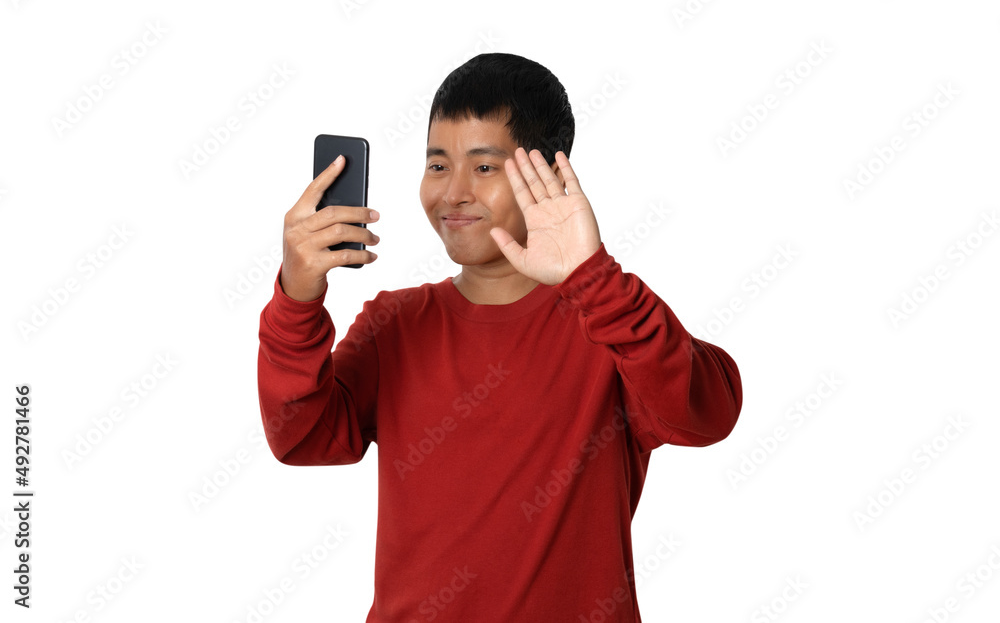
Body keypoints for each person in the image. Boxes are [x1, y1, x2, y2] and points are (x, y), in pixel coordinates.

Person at [257, 52, 743, 622]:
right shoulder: (395, 323)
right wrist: (296, 299)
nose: (453, 193)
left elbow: (707, 413)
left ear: (550, 177)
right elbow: (301, 439)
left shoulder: (610, 321)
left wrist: (596, 281)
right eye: (437, 165)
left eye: (484, 168)